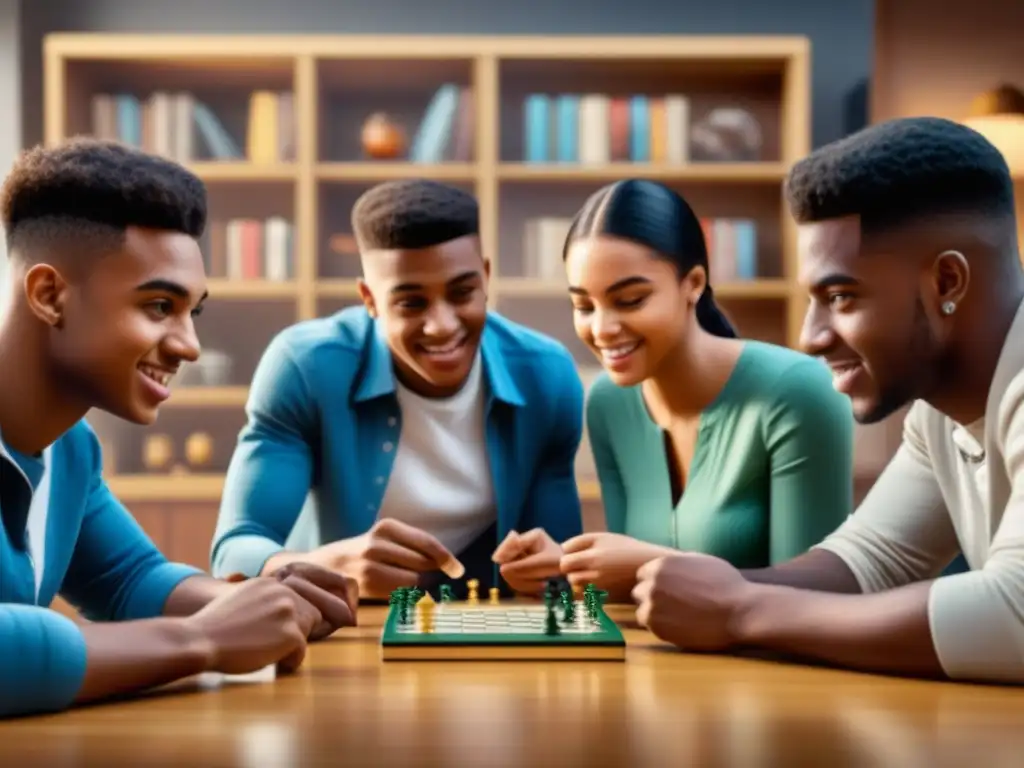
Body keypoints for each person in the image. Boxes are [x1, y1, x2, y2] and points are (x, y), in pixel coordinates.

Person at [632, 116, 1024, 684]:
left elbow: (1014, 616)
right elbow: (870, 563)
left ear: (947, 282)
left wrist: (744, 610)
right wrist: (681, 582)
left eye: (840, 296)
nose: (810, 337)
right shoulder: (939, 412)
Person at [0, 139, 357, 719]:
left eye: (193, 312)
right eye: (160, 306)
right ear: (49, 295)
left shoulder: (70, 451)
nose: (189, 345)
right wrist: (203, 641)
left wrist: (256, 605)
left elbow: (126, 579)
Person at [210, 179, 584, 600]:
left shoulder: (547, 377)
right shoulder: (305, 366)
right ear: (370, 299)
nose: (442, 325)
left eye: (462, 293)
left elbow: (559, 565)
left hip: (487, 621)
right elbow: (235, 549)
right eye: (411, 303)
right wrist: (326, 567)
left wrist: (553, 568)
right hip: (344, 623)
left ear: (486, 278)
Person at [556, 179, 854, 600]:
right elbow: (632, 589)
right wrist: (565, 565)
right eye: (584, 306)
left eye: (631, 300)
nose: (601, 329)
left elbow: (819, 598)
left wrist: (650, 564)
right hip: (659, 661)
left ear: (693, 282)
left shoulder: (798, 393)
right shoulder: (609, 403)